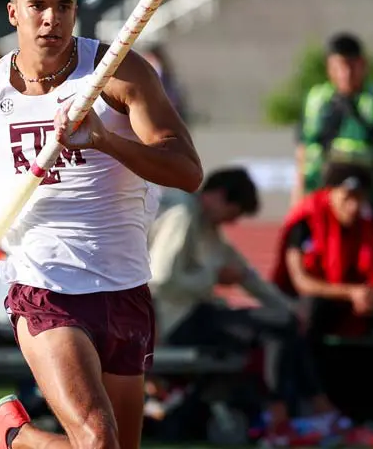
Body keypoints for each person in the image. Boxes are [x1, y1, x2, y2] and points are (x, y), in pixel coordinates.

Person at [0, 0, 203, 449]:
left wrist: (106, 141)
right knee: (97, 439)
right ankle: (18, 438)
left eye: (64, 6)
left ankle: (14, 439)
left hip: (125, 285)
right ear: (12, 14)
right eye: (38, 6)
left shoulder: (116, 72)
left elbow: (187, 171)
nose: (52, 18)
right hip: (44, 286)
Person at [148, 168, 345, 444]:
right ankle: (295, 413)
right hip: (175, 321)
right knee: (278, 324)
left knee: (281, 324)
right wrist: (213, 276)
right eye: (234, 213)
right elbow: (161, 278)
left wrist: (289, 307)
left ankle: (287, 414)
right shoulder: (183, 214)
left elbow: (244, 274)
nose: (233, 222)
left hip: (195, 313)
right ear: (218, 197)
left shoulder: (206, 226)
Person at [292, 32, 373, 258]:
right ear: (329, 67)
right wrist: (296, 202)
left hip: (366, 198)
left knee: (372, 259)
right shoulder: (316, 100)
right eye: (338, 66)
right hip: (319, 195)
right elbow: (303, 153)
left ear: (363, 65)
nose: (345, 73)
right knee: (309, 255)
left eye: (351, 66)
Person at [273, 161, 373, 341]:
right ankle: (309, 365)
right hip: (322, 299)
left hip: (362, 300)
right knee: (312, 308)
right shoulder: (306, 219)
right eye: (347, 198)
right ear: (330, 193)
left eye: (359, 198)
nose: (353, 206)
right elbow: (301, 281)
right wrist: (350, 292)